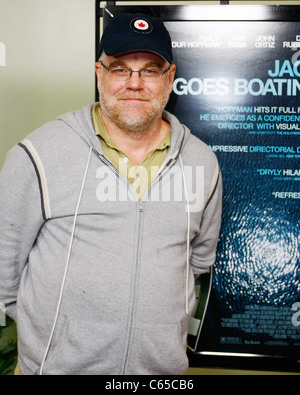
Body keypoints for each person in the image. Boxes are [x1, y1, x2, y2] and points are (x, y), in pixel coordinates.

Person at [0, 13, 222, 375]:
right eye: (120, 69)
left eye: (150, 70)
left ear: (170, 77)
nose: (134, 83)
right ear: (99, 73)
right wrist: (57, 342)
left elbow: (197, 262)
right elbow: (5, 274)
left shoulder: (203, 163)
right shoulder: (38, 155)